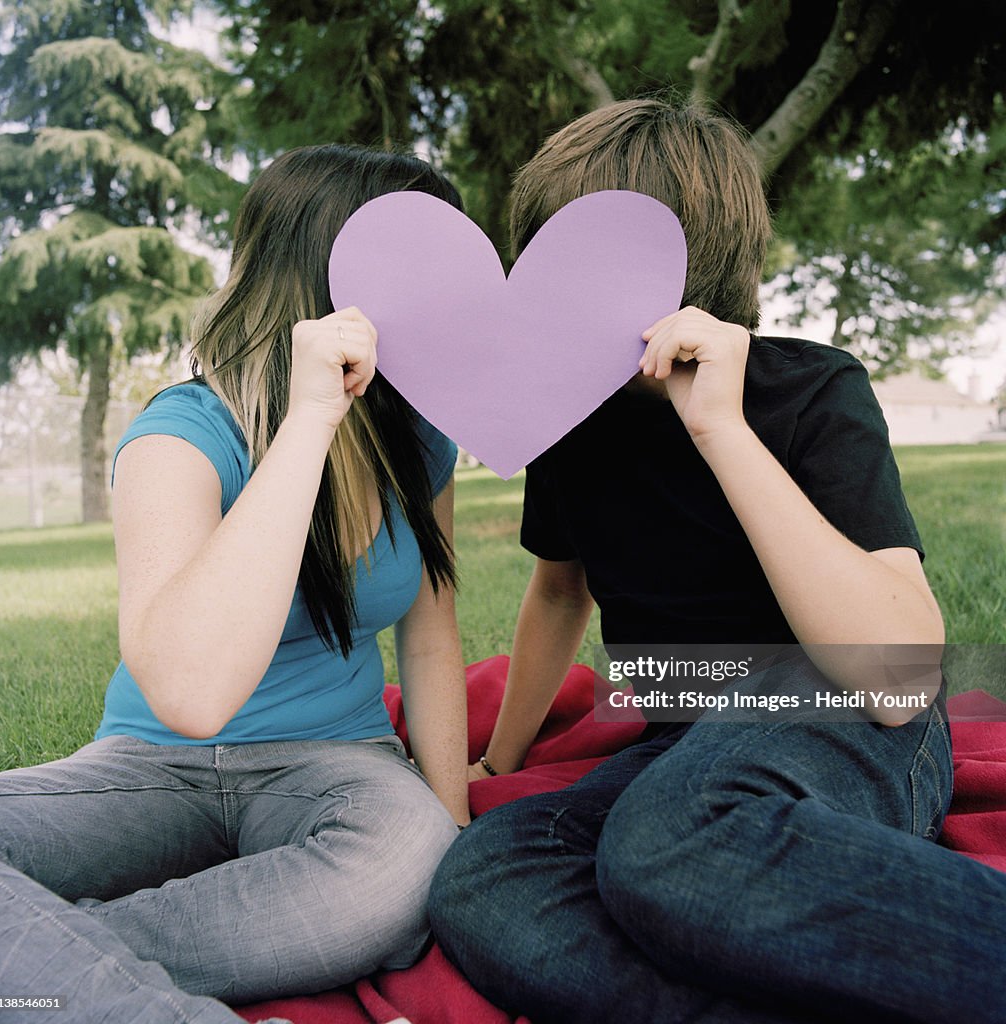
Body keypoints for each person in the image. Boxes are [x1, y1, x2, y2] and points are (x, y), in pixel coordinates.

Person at [429, 100, 1006, 1023]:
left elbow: (898, 676)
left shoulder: (815, 390)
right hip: (686, 742)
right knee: (486, 877)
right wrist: (497, 762)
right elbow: (556, 591)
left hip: (844, 713)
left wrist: (720, 429)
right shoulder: (571, 424)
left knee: (666, 844)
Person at [0, 145, 469, 1024]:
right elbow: (191, 695)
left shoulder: (422, 440)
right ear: (331, 276)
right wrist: (312, 416)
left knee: (406, 862)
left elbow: (431, 636)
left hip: (337, 767)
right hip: (150, 768)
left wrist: (451, 824)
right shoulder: (179, 435)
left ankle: (42, 960)